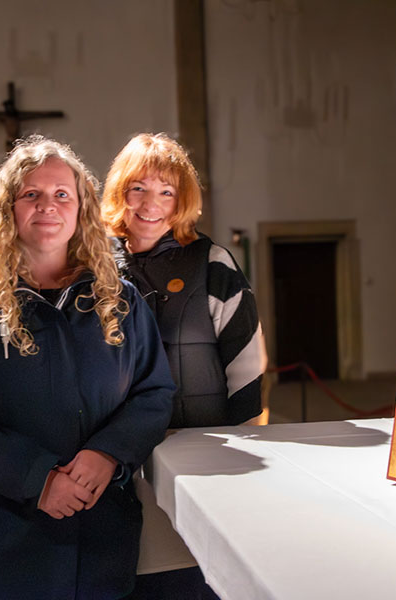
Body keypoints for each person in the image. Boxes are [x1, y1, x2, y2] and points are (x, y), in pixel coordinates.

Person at [0, 135, 175, 599]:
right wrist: (38, 480)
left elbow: (153, 393)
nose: (47, 206)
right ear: (8, 208)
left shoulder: (118, 299)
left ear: (81, 210)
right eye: (31, 194)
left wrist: (109, 453)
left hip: (97, 537)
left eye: (62, 195)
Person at [101, 133, 266, 598]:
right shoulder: (92, 265)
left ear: (182, 201)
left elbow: (246, 364)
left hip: (199, 454)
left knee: (188, 577)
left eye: (166, 191)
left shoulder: (214, 263)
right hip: (115, 459)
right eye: (139, 188)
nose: (151, 203)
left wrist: (242, 451)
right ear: (120, 193)